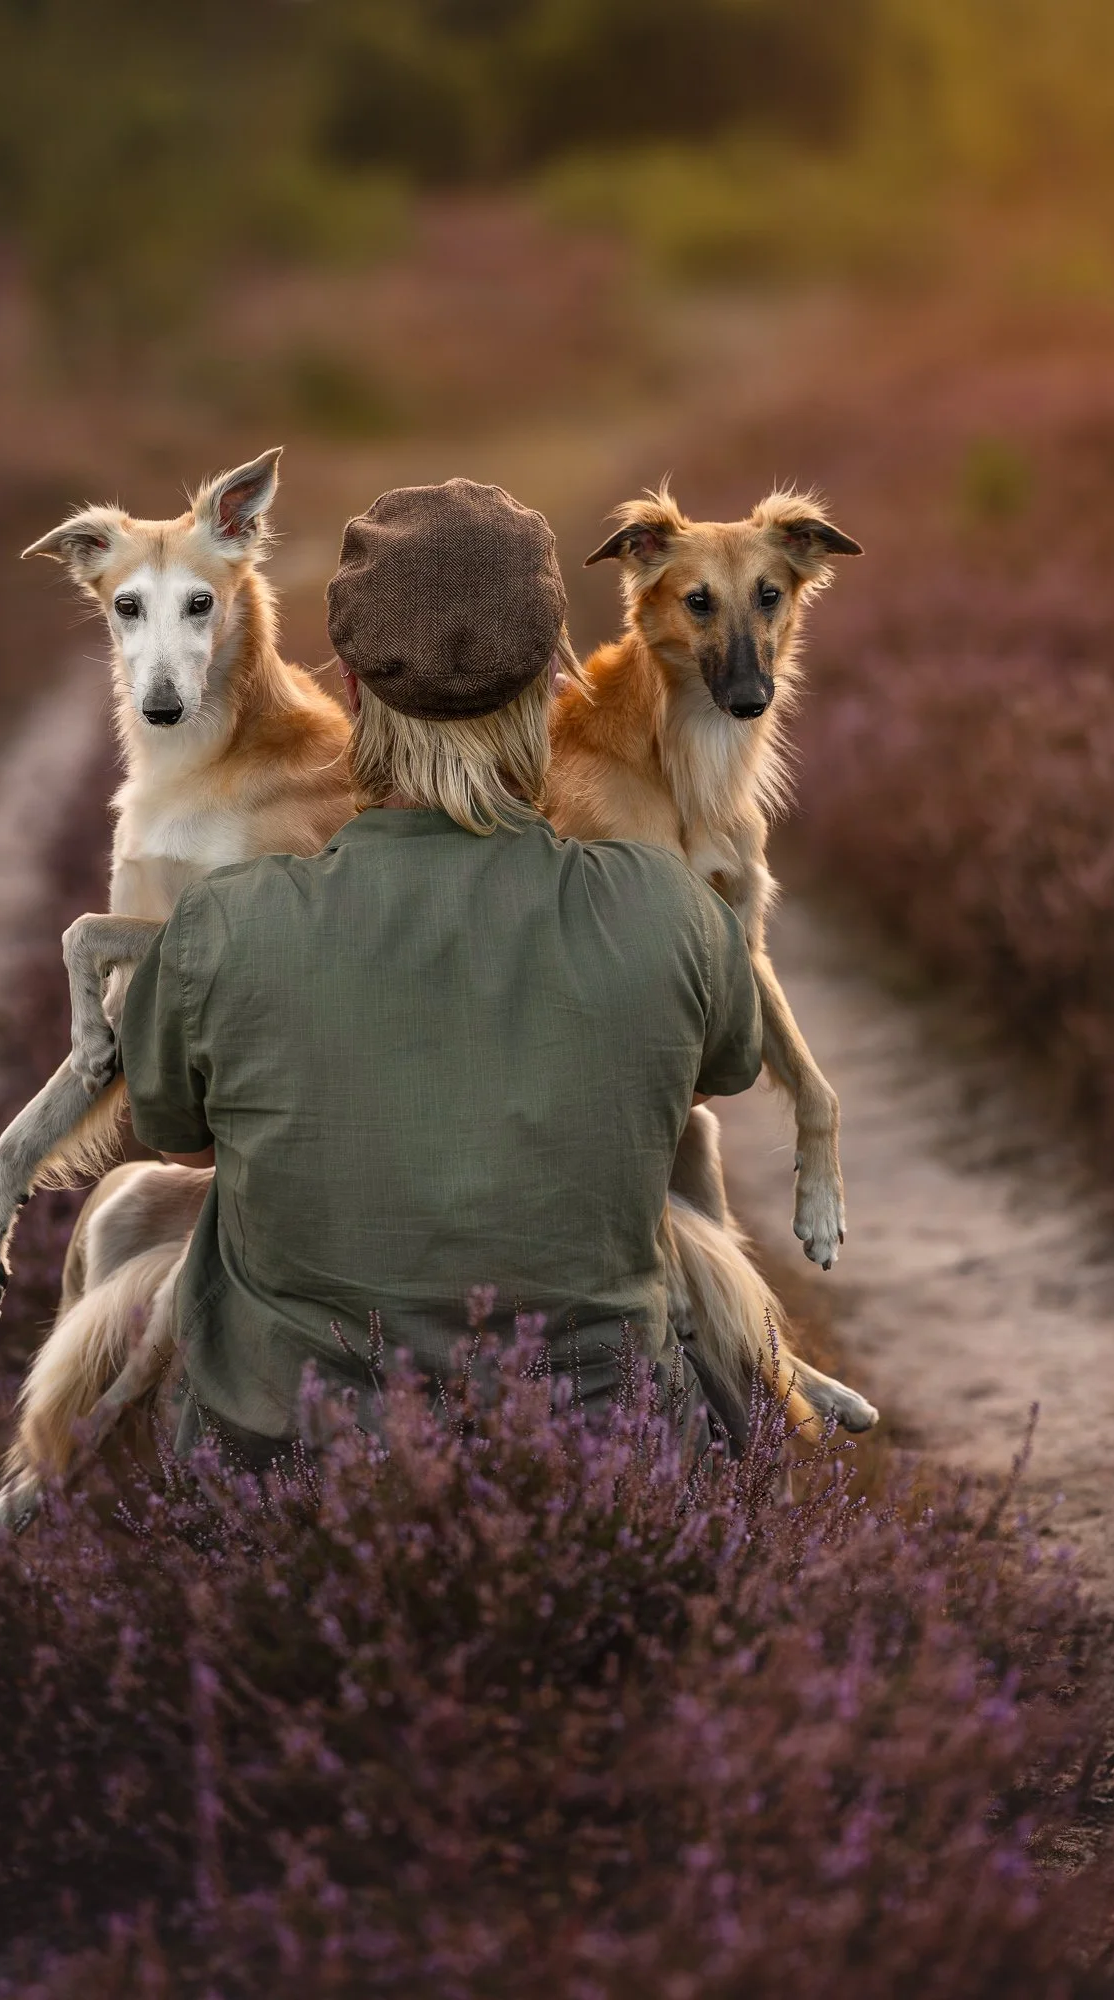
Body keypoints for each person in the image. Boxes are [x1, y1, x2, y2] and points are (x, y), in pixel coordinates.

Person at [120, 479, 764, 1465]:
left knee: (123, 1218)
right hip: (607, 1464)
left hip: (292, 1472)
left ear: (345, 687)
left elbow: (174, 1132)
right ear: (552, 686)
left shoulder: (218, 928)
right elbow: (715, 1071)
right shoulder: (671, 905)